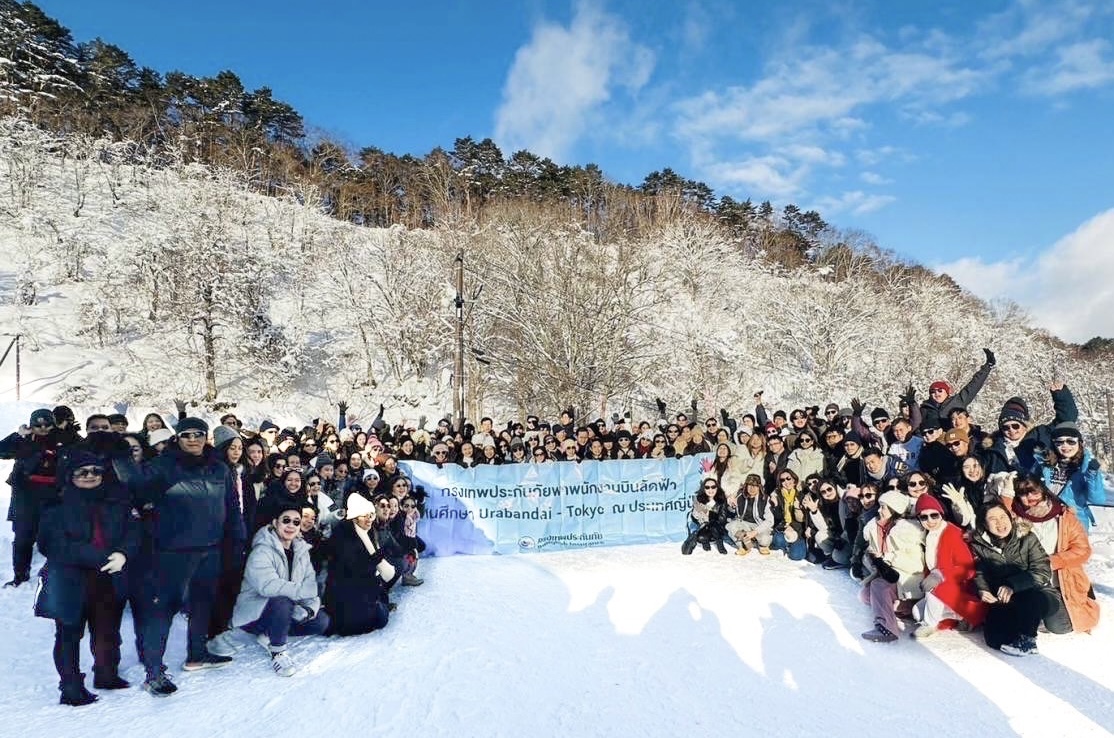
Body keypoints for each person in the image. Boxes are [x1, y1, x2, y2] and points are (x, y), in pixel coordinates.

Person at [126, 417, 245, 697]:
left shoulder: (219, 468)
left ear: (206, 437)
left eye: (199, 434)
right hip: (172, 551)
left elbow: (232, 506)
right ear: (178, 437)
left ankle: (197, 654)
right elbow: (133, 490)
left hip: (211, 548)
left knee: (203, 604)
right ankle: (154, 671)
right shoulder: (162, 466)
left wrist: (237, 540)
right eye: (187, 434)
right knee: (164, 609)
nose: (193, 439)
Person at [35, 451, 140, 705]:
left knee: (107, 629)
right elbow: (53, 544)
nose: (90, 476)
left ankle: (106, 674)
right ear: (70, 475)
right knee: (69, 633)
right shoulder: (56, 506)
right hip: (69, 577)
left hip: (108, 577)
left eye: (95, 471)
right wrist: (104, 557)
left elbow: (134, 529)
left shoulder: (117, 499)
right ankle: (70, 687)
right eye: (82, 472)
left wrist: (124, 553)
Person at [223, 500, 329, 677]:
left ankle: (271, 631)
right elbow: (268, 586)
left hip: (284, 609)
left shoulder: (301, 551)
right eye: (286, 520)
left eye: (296, 522)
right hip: (255, 614)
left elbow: (311, 584)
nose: (291, 525)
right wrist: (301, 592)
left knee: (321, 621)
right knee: (282, 600)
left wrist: (308, 609)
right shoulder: (262, 550)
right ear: (275, 522)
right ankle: (277, 650)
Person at [1010, 476, 1100, 635]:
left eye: (1033, 491)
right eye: (1023, 494)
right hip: (1030, 580)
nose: (1030, 497)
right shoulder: (1015, 517)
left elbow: (1082, 550)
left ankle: (1078, 603)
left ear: (1043, 491)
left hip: (1060, 580)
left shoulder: (1063, 517)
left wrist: (1052, 561)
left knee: (1059, 627)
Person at [970, 503, 1057, 656]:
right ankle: (1021, 625)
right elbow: (980, 572)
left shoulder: (1026, 537)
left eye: (1003, 517)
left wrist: (1013, 585)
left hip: (1039, 594)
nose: (1000, 523)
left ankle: (1028, 639)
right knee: (995, 640)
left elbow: (1042, 571)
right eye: (993, 519)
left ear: (1010, 517)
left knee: (1029, 599)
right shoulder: (979, 544)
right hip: (1006, 599)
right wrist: (982, 589)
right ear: (984, 523)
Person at [1, 409, 72, 587]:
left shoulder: (64, 438)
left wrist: (67, 431)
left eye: (47, 424)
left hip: (55, 495)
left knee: (55, 537)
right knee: (23, 538)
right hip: (26, 497)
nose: (42, 428)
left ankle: (55, 574)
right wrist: (18, 435)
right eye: (37, 425)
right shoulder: (23, 440)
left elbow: (81, 451)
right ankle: (20, 575)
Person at [909, 494, 986, 639]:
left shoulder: (953, 533)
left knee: (933, 588)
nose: (930, 521)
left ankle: (930, 624)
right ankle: (958, 617)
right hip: (937, 591)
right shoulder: (929, 534)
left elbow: (968, 569)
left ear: (941, 514)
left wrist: (940, 575)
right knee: (916, 612)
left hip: (957, 588)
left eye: (934, 515)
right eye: (924, 517)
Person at [322, 494, 393, 635]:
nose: (368, 519)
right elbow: (356, 568)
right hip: (345, 595)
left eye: (371, 515)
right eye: (364, 515)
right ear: (354, 517)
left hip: (360, 592)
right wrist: (378, 557)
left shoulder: (366, 532)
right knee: (381, 618)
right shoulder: (342, 536)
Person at [860, 490, 925, 643]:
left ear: (894, 509)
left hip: (910, 579)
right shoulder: (881, 527)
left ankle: (886, 628)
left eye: (883, 507)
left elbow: (917, 565)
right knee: (865, 595)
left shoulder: (906, 532)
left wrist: (887, 559)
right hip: (893, 576)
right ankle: (903, 608)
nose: (879, 510)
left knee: (878, 586)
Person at [1029, 422, 1106, 531]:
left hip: (1074, 520)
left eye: (1071, 441)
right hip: (1045, 518)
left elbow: (1097, 499)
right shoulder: (1043, 464)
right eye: (1060, 442)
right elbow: (1030, 488)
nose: (1065, 446)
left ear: (1079, 443)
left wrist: (1092, 475)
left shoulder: (1086, 466)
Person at [919, 348, 995, 430]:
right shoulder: (925, 409)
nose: (937, 394)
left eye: (940, 390)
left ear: (947, 392)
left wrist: (987, 366)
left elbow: (973, 385)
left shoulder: (958, 400)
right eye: (933, 392)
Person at [727, 474, 775, 555]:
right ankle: (745, 546)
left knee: (765, 540)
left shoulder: (765, 498)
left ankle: (760, 544)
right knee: (731, 526)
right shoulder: (740, 495)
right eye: (750, 485)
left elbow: (770, 521)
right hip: (744, 524)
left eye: (755, 486)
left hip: (758, 525)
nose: (752, 488)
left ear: (759, 487)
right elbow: (731, 510)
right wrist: (732, 506)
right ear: (746, 485)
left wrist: (755, 532)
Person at [682, 480, 729, 555]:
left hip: (718, 528)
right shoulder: (700, 499)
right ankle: (705, 542)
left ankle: (720, 544)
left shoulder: (721, 500)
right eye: (707, 487)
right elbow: (694, 519)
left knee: (713, 525)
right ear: (704, 489)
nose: (710, 490)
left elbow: (722, 520)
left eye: (713, 487)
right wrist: (695, 514)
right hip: (705, 526)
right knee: (700, 538)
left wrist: (709, 513)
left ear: (717, 488)